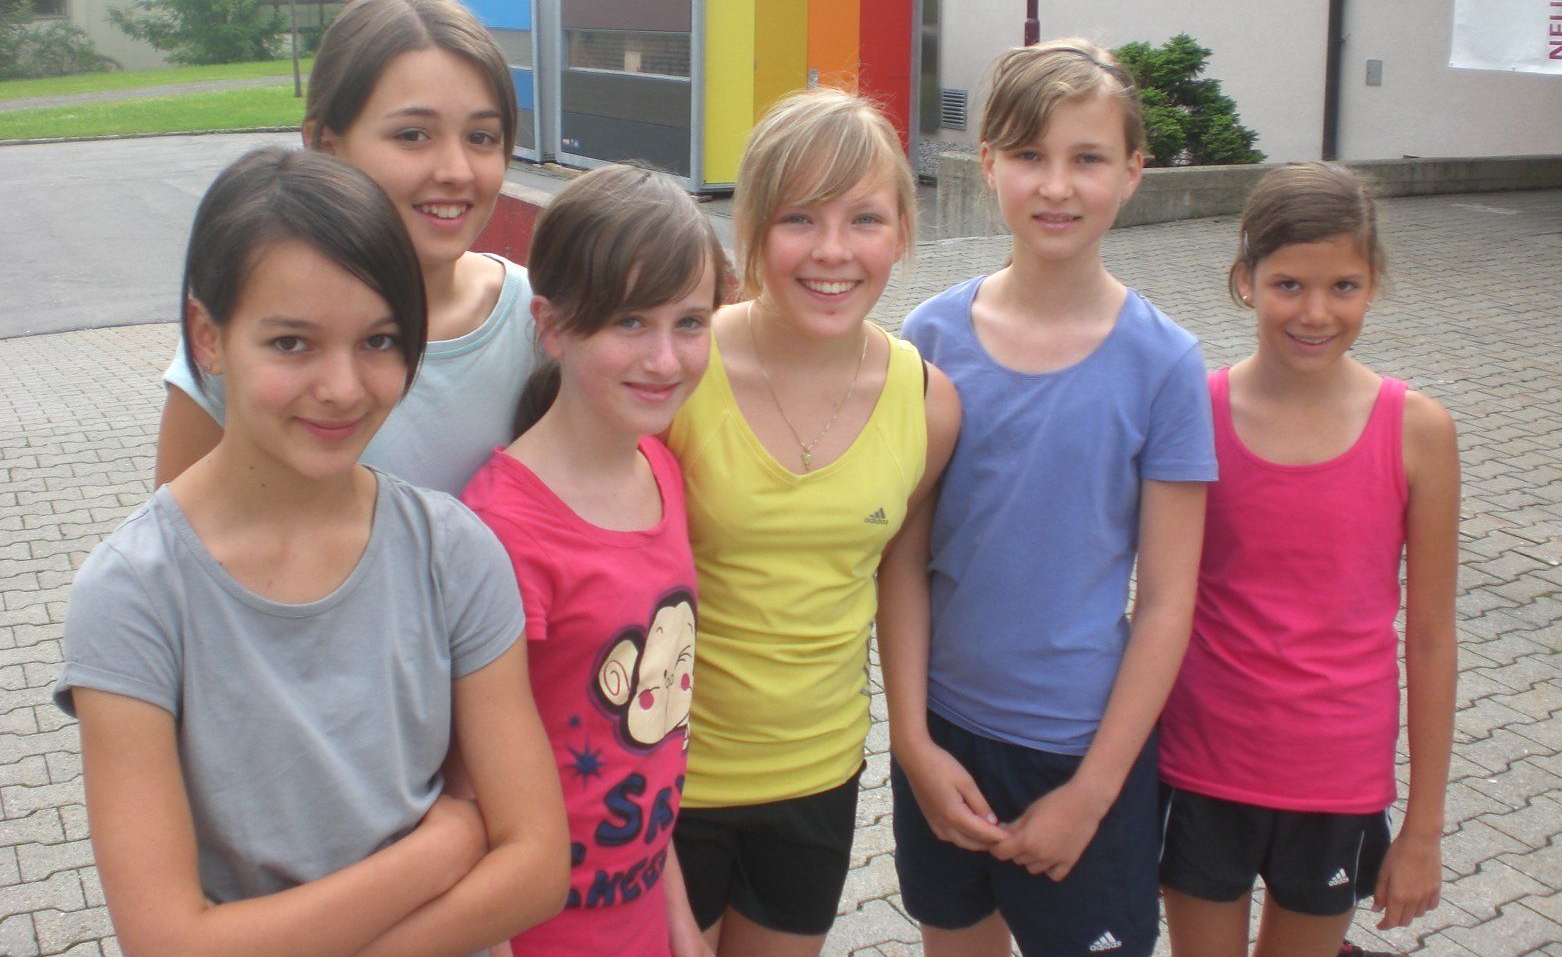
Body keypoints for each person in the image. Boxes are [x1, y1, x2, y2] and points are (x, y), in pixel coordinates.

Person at [55, 147, 570, 957]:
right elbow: (168, 940)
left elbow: (537, 867)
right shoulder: (135, 596)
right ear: (208, 337)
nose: (342, 387)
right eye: (292, 343)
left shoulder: (452, 553)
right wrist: (438, 850)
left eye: (379, 341)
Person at [879, 39, 1217, 957]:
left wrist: (1092, 795)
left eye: (1088, 158)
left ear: (1134, 171)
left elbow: (1168, 601)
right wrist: (912, 743)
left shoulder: (1165, 364)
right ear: (988, 163)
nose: (1056, 186)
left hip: (1082, 749)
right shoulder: (929, 338)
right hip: (945, 736)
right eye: (1030, 155)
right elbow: (903, 559)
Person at [666, 88, 961, 957]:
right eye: (799, 217)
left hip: (819, 779)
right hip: (668, 781)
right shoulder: (678, 370)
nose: (833, 251)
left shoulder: (926, 401)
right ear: (751, 229)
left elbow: (900, 571)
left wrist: (912, 739)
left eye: (864, 218)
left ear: (902, 232)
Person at [1156, 163, 1459, 957]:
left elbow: (1431, 639)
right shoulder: (1193, 412)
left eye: (1343, 287)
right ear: (1245, 280)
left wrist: (1423, 829)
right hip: (1202, 762)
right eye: (1288, 284)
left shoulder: (1417, 431)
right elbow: (1155, 596)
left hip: (1338, 778)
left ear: (1373, 284)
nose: (1316, 313)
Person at [460, 165, 729, 957]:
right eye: (629, 321)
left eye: (690, 322)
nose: (665, 359)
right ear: (551, 327)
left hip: (640, 913)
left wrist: (678, 919)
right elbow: (468, 791)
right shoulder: (503, 531)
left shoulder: (662, 470)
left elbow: (643, 746)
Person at [155, 0, 533, 495]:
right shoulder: (256, 335)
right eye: (413, 135)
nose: (456, 171)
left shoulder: (540, 322)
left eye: (481, 137)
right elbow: (178, 531)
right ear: (326, 145)